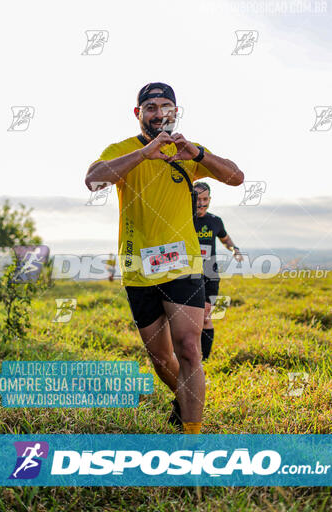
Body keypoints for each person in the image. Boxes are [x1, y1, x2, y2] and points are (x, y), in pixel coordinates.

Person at [85, 82, 244, 433]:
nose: (159, 114)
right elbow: (93, 180)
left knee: (189, 349)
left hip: (182, 264)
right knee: (160, 358)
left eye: (166, 107)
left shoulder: (187, 152)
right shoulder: (123, 150)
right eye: (151, 107)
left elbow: (236, 177)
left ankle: (193, 439)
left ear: (176, 111)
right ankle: (185, 397)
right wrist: (145, 153)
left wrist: (199, 155)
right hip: (137, 268)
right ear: (138, 113)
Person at [193, 181, 243, 361]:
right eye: (198, 199)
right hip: (187, 273)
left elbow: (225, 239)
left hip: (210, 273)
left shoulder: (215, 221)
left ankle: (203, 360)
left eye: (205, 199)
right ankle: (187, 356)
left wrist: (234, 249)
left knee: (206, 317)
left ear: (210, 199)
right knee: (187, 319)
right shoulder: (184, 219)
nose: (202, 203)